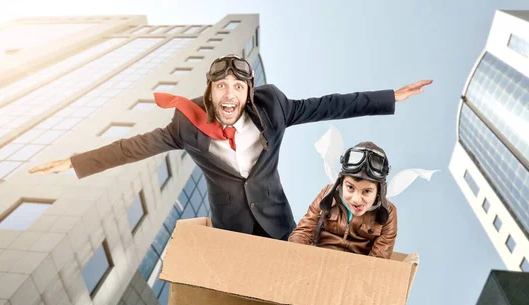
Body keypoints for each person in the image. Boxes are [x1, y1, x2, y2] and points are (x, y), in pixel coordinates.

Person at [29, 54, 432, 240]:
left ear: (248, 93)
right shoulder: (186, 127)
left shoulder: (274, 108)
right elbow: (133, 147)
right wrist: (74, 161)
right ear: (210, 90)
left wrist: (389, 97)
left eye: (238, 87)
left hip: (277, 224)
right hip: (230, 228)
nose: (230, 93)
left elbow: (329, 104)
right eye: (221, 85)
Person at [289, 142, 397, 259]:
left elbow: (378, 260)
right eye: (350, 187)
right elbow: (303, 232)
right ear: (340, 183)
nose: (356, 199)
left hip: (356, 272)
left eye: (367, 191)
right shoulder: (327, 194)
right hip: (317, 262)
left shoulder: (389, 213)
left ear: (379, 191)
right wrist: (295, 260)